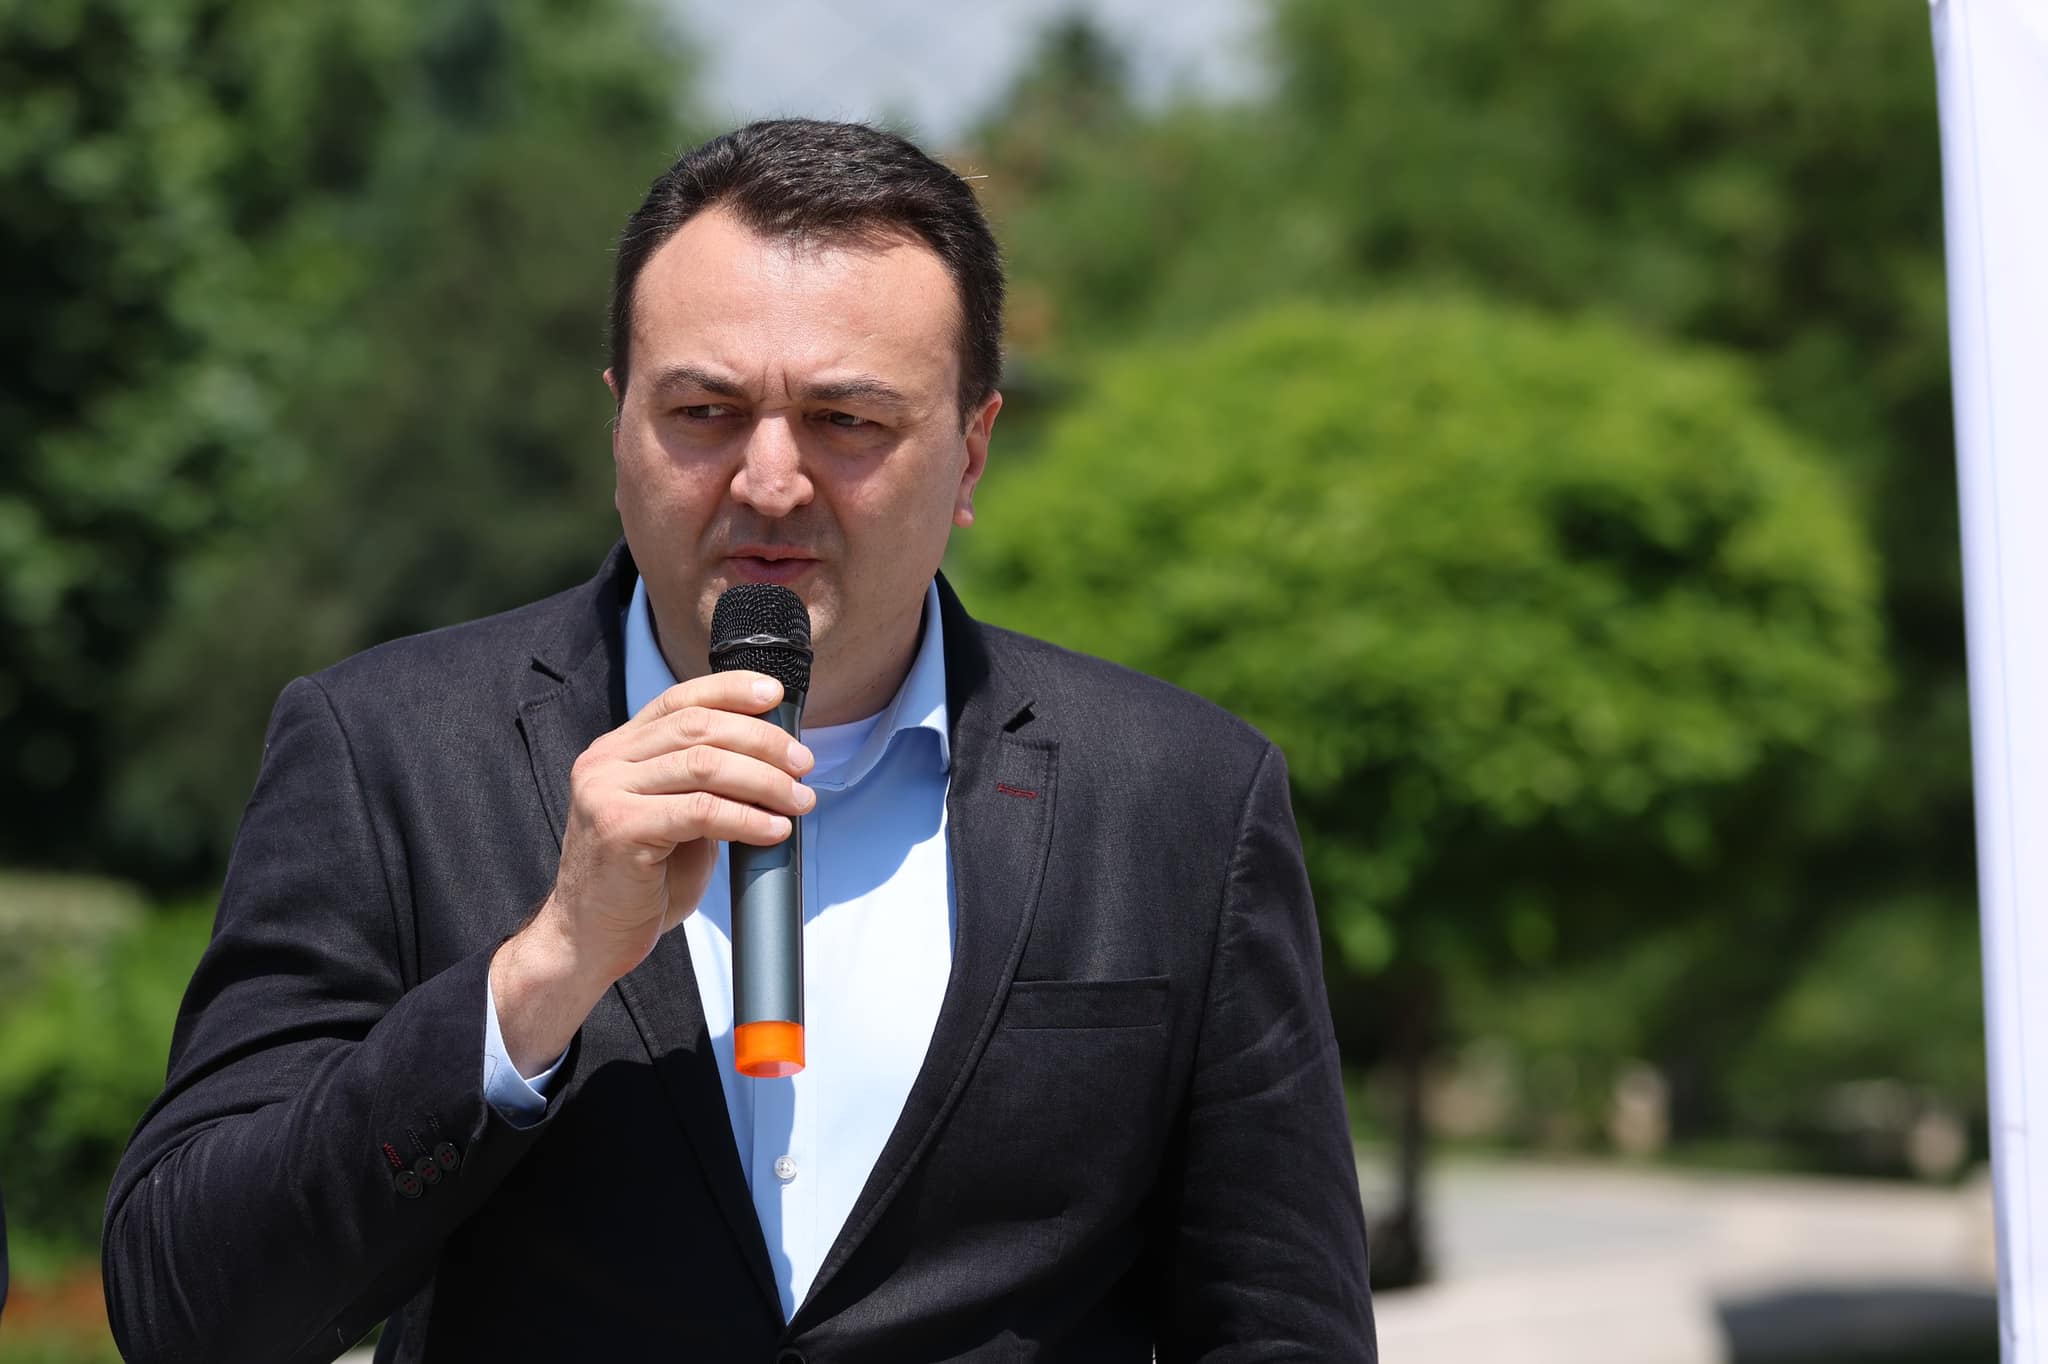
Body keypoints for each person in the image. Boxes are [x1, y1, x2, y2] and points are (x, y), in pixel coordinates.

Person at [103, 118, 1374, 1362]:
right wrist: (537, 978)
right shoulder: (387, 749)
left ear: (971, 452)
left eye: (846, 421)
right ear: (618, 426)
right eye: (704, 411)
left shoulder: (1180, 795)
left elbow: (1279, 1325)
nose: (769, 481)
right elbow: (183, 1307)